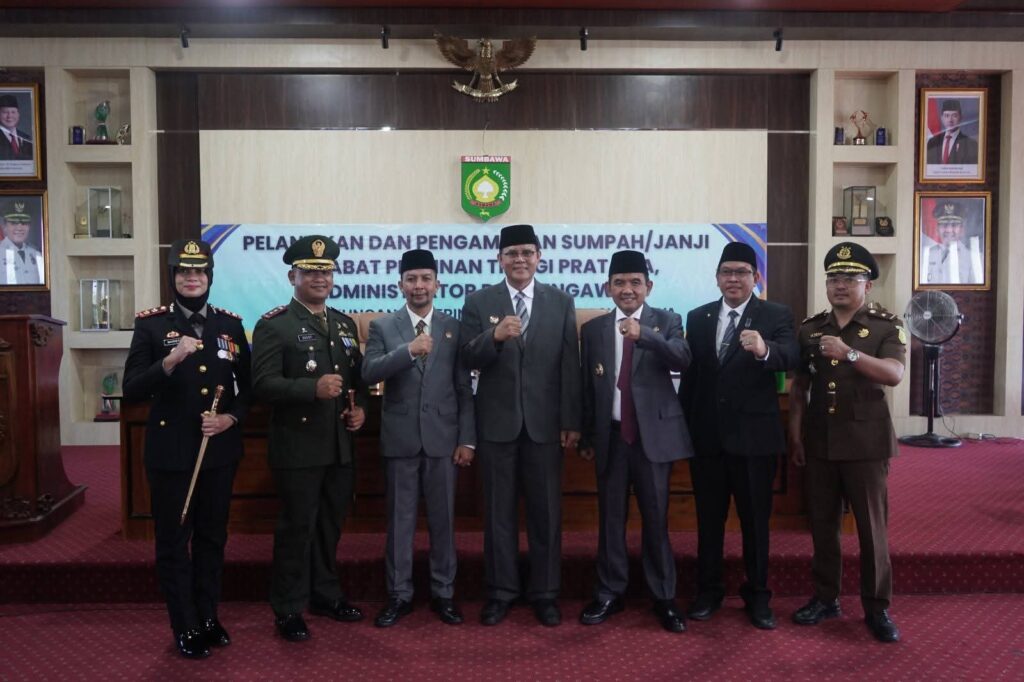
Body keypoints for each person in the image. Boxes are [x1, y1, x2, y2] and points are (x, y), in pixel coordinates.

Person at [122, 239, 252, 659]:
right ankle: (185, 624)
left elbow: (248, 389)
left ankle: (208, 616)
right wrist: (170, 360)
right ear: (173, 277)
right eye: (183, 271)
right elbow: (131, 388)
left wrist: (230, 419)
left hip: (218, 451)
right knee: (174, 541)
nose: (191, 278)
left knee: (213, 537)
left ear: (209, 277)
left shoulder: (230, 325)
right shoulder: (152, 326)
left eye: (198, 271)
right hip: (172, 453)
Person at [460, 223, 582, 627]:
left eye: (527, 252)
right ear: (499, 259)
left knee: (546, 513)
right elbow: (466, 357)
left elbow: (569, 364)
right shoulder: (479, 301)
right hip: (497, 425)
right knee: (498, 514)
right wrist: (493, 337)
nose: (520, 259)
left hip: (546, 426)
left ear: (539, 257)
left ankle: (545, 593)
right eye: (512, 253)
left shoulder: (560, 301)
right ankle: (501, 592)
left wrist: (570, 419)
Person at [788, 242, 907, 644]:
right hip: (820, 442)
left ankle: (877, 607)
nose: (840, 286)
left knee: (872, 529)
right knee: (823, 526)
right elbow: (799, 387)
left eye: (850, 279)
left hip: (866, 444)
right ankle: (826, 598)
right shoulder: (810, 328)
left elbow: (893, 374)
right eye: (834, 279)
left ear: (867, 285)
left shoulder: (886, 325)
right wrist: (796, 437)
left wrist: (849, 353)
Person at [252, 235, 369, 642]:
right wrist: (310, 388)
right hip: (298, 445)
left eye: (326, 271)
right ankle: (287, 607)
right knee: (297, 529)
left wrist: (360, 409)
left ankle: (325, 595)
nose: (320, 278)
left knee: (330, 526)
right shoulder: (275, 324)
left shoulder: (344, 324)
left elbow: (357, 381)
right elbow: (262, 384)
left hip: (339, 445)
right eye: (310, 271)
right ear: (293, 276)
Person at [679, 242, 799, 630]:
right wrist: (683, 430)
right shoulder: (698, 317)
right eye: (727, 272)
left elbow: (792, 356)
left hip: (755, 441)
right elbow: (692, 379)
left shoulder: (775, 314)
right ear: (717, 278)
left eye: (742, 272)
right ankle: (708, 591)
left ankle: (758, 594)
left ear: (755, 277)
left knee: (755, 523)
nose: (733, 279)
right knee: (708, 521)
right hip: (708, 441)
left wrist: (765, 350)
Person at [577, 250, 693, 634]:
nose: (627, 289)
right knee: (611, 519)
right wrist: (587, 436)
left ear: (649, 286)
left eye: (635, 282)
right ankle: (610, 592)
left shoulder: (667, 321)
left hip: (652, 439)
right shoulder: (593, 330)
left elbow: (682, 359)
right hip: (611, 438)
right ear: (607, 287)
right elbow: (588, 386)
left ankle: (664, 596)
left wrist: (646, 336)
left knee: (656, 519)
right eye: (619, 283)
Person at [362, 249, 476, 628]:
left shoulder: (453, 327)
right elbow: (369, 371)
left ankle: (444, 593)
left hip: (444, 440)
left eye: (426, 278)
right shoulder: (383, 327)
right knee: (400, 523)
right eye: (411, 279)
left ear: (437, 284)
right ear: (400, 285)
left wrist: (467, 439)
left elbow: (463, 388)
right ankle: (399, 595)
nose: (419, 286)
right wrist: (408, 351)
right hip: (401, 440)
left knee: (444, 521)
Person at [923, 201, 983, 285]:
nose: (949, 230)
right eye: (944, 225)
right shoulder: (925, 255)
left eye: (954, 225)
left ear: (961, 229)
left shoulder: (973, 258)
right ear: (937, 229)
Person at [0, 201, 43, 285]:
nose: (19, 228)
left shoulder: (37, 254)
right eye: (14, 223)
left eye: (24, 223)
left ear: (29, 226)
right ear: (4, 226)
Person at [925, 99, 978, 165]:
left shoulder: (971, 144)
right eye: (947, 116)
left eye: (954, 116)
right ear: (942, 118)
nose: (950, 120)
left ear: (960, 118)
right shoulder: (932, 142)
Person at [0, 94, 33, 161]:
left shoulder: (26, 138)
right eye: (5, 112)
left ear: (18, 114)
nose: (9, 116)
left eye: (13, 112)